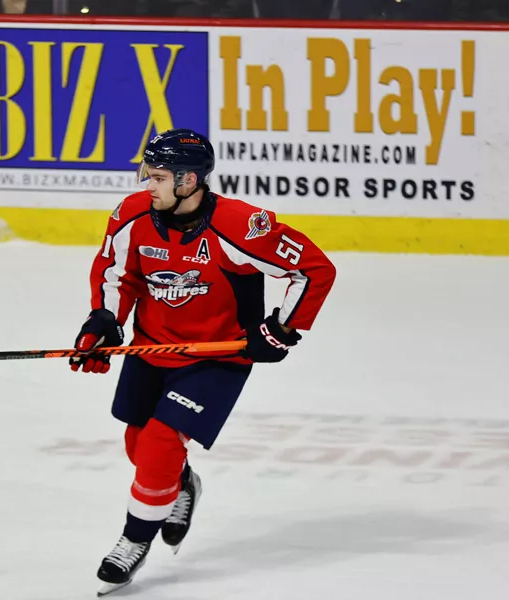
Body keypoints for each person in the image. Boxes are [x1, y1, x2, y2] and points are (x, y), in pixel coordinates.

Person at [69, 129, 336, 596]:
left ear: (189, 180)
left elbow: (313, 270)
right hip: (152, 348)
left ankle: (133, 540)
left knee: (157, 445)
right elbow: (117, 273)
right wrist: (105, 319)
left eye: (157, 177)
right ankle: (181, 484)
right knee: (138, 444)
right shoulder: (133, 215)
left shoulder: (240, 225)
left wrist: (283, 328)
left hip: (218, 356)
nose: (147, 185)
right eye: (146, 175)